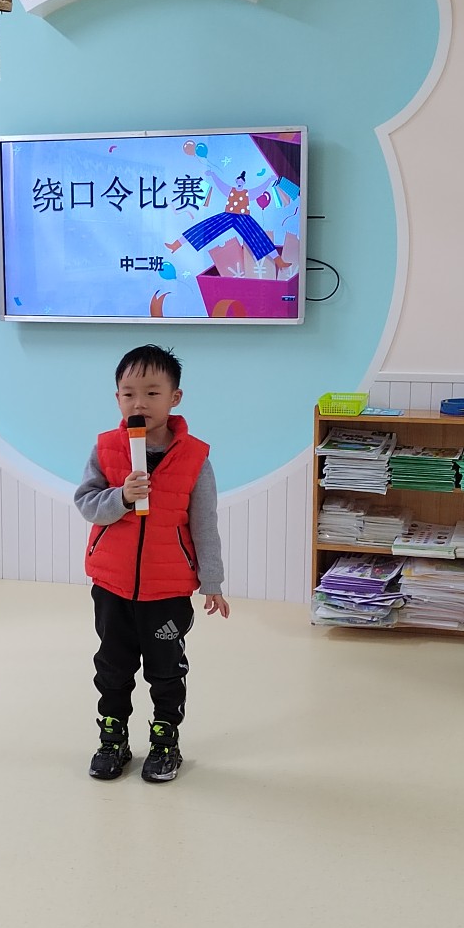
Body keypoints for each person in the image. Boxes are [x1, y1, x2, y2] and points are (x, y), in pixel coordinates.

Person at [74, 344, 230, 784]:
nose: (139, 403)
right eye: (128, 394)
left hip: (168, 589)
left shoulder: (195, 457)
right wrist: (121, 498)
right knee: (113, 665)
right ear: (117, 398)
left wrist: (212, 581)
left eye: (152, 392)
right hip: (112, 584)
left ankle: (165, 741)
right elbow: (87, 503)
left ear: (174, 397)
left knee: (165, 669)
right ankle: (113, 738)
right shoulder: (106, 448)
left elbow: (204, 524)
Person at [165, 170, 291, 276]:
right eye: (238, 180)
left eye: (242, 181)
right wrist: (213, 175)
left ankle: (279, 261)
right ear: (236, 181)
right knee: (206, 227)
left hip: (243, 218)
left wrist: (269, 180)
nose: (240, 182)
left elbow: (259, 190)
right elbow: (220, 184)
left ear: (244, 183)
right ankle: (177, 244)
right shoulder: (230, 190)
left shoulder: (247, 193)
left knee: (258, 236)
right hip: (229, 215)